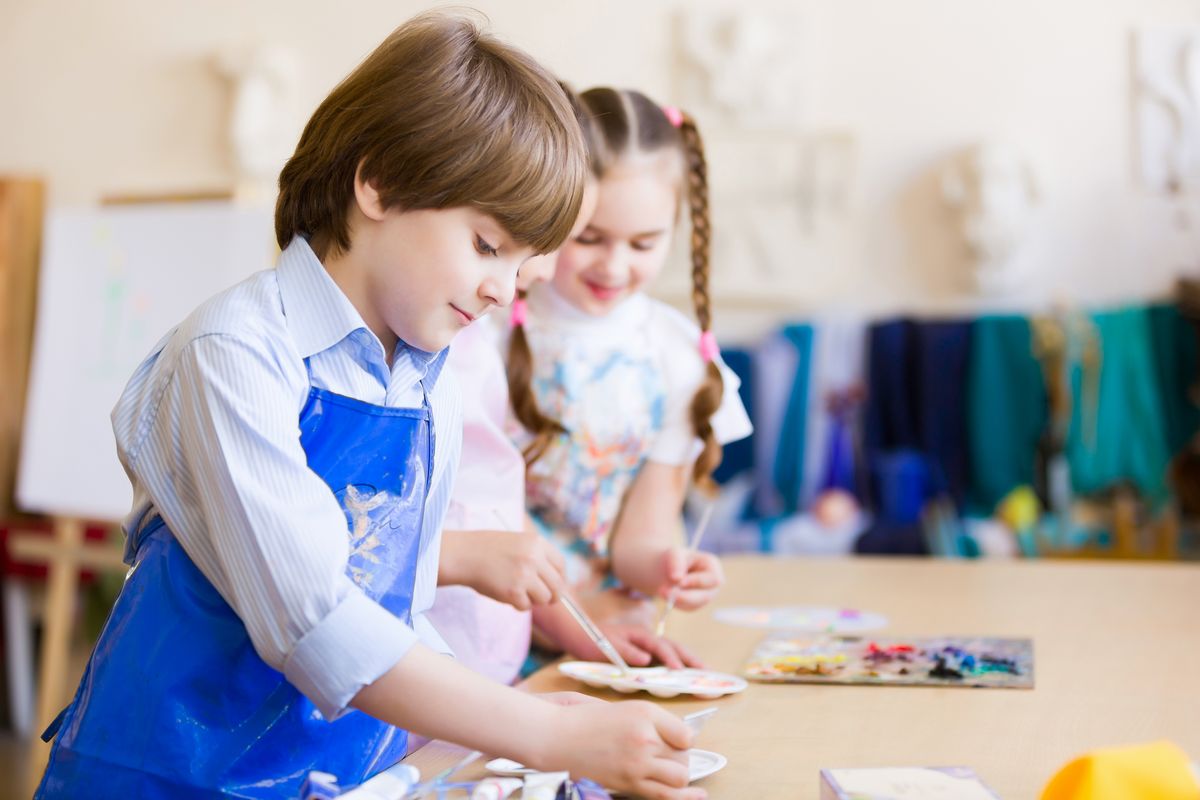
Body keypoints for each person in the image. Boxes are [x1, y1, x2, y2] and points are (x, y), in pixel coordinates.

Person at [36, 18, 702, 800]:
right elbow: (319, 625)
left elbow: (395, 599)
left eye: (522, 267)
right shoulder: (232, 354)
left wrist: (519, 713)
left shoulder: (426, 375)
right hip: (169, 775)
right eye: (488, 245)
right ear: (379, 181)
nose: (502, 288)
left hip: (322, 773)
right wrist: (548, 733)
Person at [508, 87, 753, 663]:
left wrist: (668, 567)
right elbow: (474, 511)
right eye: (588, 238)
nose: (614, 266)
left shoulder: (676, 357)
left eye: (644, 243)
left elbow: (639, 540)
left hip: (607, 639)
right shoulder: (486, 326)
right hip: (497, 632)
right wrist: (576, 622)